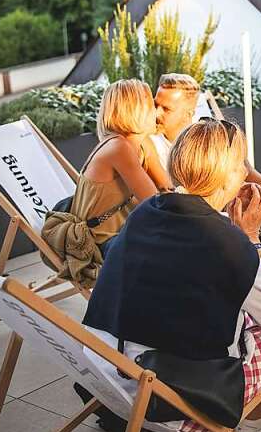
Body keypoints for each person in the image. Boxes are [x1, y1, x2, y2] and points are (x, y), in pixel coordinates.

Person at [83, 119, 261, 432]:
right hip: (168, 396)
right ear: (227, 174)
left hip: (106, 374)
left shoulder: (146, 211)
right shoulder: (225, 242)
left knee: (244, 308)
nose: (245, 173)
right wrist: (251, 240)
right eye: (241, 165)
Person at [153, 72, 261, 259]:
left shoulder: (211, 138)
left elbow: (250, 174)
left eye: (166, 108)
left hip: (218, 222)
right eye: (155, 105)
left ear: (189, 113)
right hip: (191, 230)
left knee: (256, 201)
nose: (156, 113)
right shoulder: (149, 145)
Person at [42, 79, 170, 283]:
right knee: (169, 248)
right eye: (151, 105)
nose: (157, 111)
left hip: (122, 231)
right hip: (97, 241)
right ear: (135, 110)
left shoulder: (142, 144)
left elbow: (166, 188)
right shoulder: (118, 148)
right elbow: (154, 202)